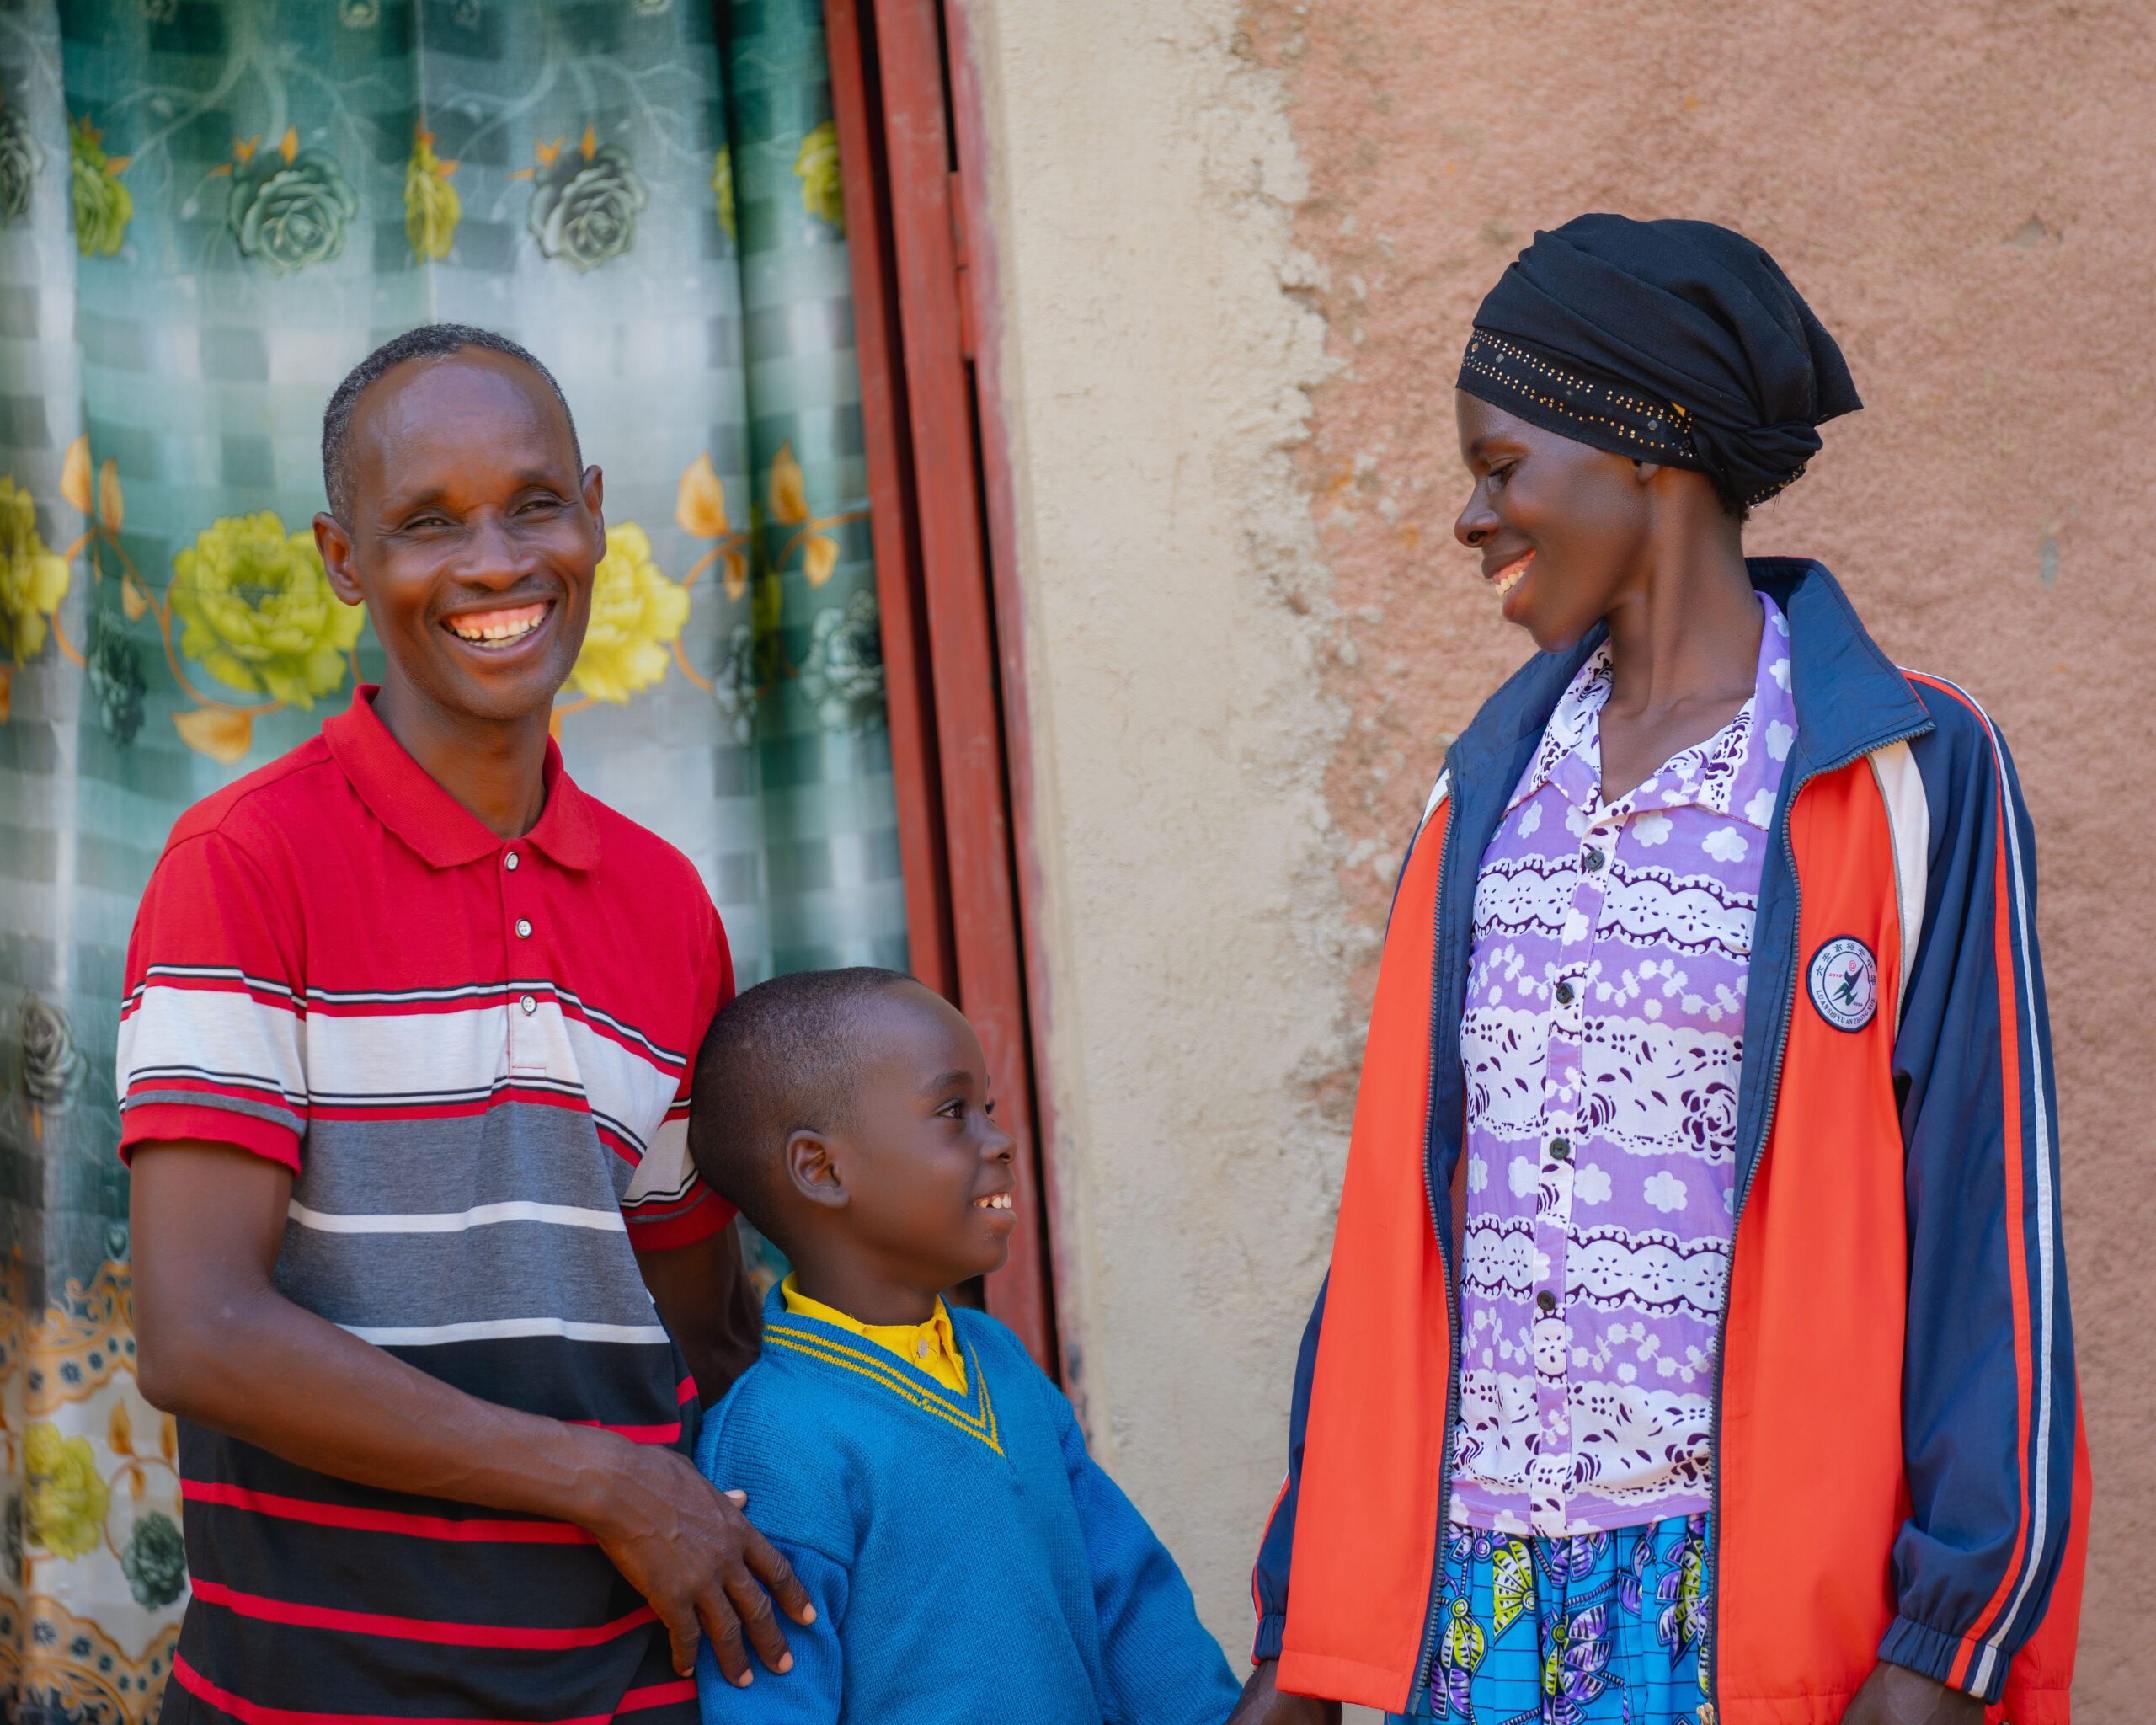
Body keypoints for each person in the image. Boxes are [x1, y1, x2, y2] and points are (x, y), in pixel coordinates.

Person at [1232, 217, 2089, 1725]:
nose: (1471, 518)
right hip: (1479, 1602)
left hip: (1745, 1604)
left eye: (1500, 468)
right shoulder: (1487, 796)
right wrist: (1303, 1639)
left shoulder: (1902, 768)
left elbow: (1986, 1219)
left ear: (1644, 449)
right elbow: (1394, 1234)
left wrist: (1948, 1637)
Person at [120, 323, 814, 1724]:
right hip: (312, 1697)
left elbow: (696, 1334)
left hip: (633, 1688)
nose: (496, 561)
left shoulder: (667, 906)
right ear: (340, 561)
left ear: (598, 515)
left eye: (534, 503)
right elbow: (198, 1331)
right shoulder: (246, 862)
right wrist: (598, 1478)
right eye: (428, 524)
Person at [686, 966, 1244, 1725]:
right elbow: (773, 1699)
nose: (1001, 1140)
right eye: (954, 1111)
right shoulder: (775, 1439)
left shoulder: (999, 1361)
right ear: (821, 1169)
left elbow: (1128, 1599)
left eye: (988, 1107)